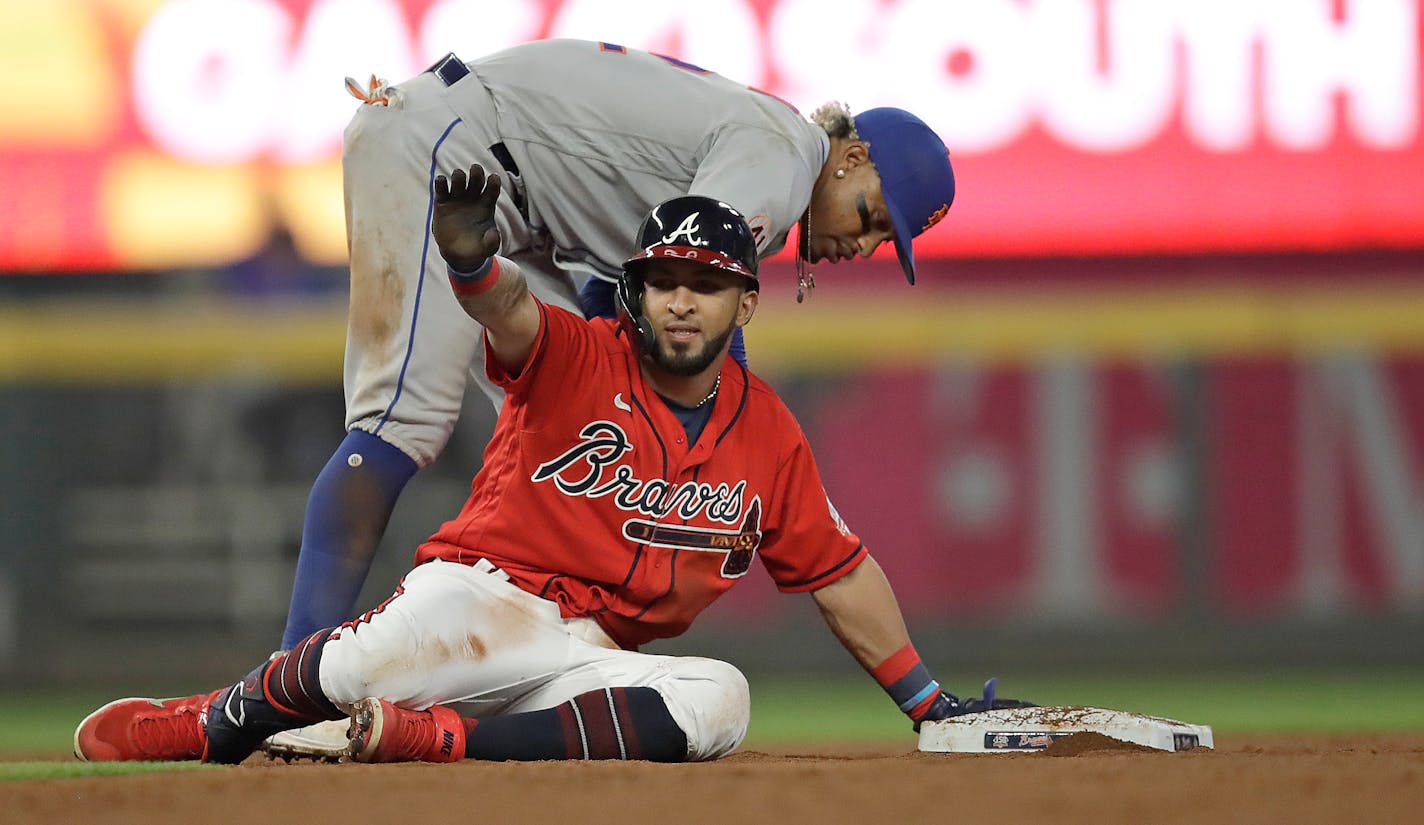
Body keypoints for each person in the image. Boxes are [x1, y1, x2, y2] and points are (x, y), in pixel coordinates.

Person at [74, 178, 1021, 766]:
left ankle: (442, 741)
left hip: (590, 658)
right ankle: (214, 721)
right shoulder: (581, 353)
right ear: (638, 290)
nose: (682, 303)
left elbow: (838, 569)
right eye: (663, 281)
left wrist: (929, 703)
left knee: (720, 699)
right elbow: (512, 315)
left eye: (708, 285)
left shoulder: (768, 433)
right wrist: (476, 262)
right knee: (367, 658)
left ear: (745, 300)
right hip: (485, 605)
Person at [280, 38, 958, 674]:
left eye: (884, 240)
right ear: (851, 157)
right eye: (872, 215)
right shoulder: (785, 155)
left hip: (510, 201)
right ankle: (288, 678)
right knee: (406, 420)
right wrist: (732, 431)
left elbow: (637, 290)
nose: (864, 243)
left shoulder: (774, 159)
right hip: (448, 156)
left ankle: (517, 650)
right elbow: (691, 274)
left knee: (563, 419)